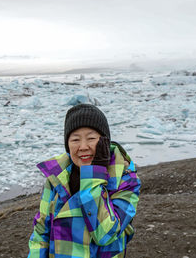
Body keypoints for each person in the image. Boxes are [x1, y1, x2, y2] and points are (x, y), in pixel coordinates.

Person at [28, 104, 141, 258]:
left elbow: (105, 234)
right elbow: (41, 232)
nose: (83, 147)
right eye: (75, 139)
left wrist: (94, 175)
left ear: (104, 141)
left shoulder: (126, 180)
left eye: (91, 138)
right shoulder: (56, 179)